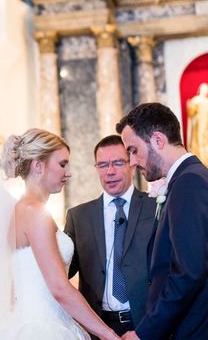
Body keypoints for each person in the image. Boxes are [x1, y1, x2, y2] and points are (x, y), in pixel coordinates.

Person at [0, 128, 120, 340]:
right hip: (43, 329)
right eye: (62, 164)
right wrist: (108, 334)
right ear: (38, 165)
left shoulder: (17, 211)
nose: (68, 172)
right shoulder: (36, 213)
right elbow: (59, 288)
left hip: (26, 320)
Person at [116, 103, 208, 340]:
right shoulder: (188, 179)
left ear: (158, 140)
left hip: (199, 330)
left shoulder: (190, 183)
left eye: (133, 150)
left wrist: (144, 333)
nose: (131, 162)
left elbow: (188, 274)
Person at [65, 135, 156, 336]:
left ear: (132, 165)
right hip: (97, 326)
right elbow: (62, 271)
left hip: (145, 324)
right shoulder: (78, 216)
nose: (110, 172)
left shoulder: (155, 207)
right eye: (103, 165)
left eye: (117, 163)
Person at [185, 82, 208, 166]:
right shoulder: (196, 100)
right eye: (204, 89)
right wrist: (190, 106)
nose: (206, 91)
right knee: (200, 140)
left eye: (207, 89)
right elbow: (191, 112)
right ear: (200, 90)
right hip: (199, 124)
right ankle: (200, 158)